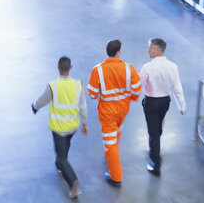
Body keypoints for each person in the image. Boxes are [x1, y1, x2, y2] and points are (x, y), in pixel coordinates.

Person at [31, 56, 88, 198]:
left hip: (59, 128)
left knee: (62, 157)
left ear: (58, 67)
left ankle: (74, 183)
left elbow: (42, 100)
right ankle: (59, 165)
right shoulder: (78, 84)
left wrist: (35, 107)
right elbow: (83, 107)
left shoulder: (53, 85)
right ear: (71, 68)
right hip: (73, 126)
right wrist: (85, 123)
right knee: (64, 149)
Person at [87, 39, 141, 187]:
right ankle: (111, 154)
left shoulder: (97, 70)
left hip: (107, 113)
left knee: (110, 143)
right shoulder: (129, 69)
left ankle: (116, 177)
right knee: (118, 132)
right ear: (118, 52)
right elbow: (136, 90)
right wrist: (130, 97)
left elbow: (92, 94)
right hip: (122, 110)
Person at [139, 38, 187, 176]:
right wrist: (182, 106)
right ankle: (154, 148)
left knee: (153, 132)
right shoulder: (173, 66)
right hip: (165, 102)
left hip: (151, 102)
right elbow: (177, 87)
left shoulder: (147, 67)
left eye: (150, 47)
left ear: (157, 50)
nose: (147, 50)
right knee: (158, 127)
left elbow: (137, 84)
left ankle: (156, 165)